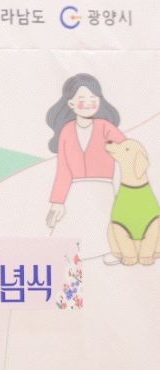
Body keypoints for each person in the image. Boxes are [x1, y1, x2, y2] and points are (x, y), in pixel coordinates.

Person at [45, 73, 126, 262]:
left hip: (103, 187)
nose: (88, 104)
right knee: (71, 230)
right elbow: (63, 170)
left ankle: (113, 249)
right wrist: (58, 201)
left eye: (93, 98)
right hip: (77, 189)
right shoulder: (67, 131)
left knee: (105, 221)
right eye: (82, 100)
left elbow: (127, 151)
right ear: (71, 103)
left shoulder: (106, 127)